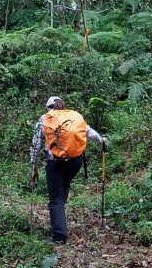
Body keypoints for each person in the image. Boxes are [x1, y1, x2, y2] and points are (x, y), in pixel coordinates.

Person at [29, 96, 107, 244]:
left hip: (55, 162)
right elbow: (89, 131)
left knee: (55, 199)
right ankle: (60, 219)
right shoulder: (73, 117)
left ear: (48, 108)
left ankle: (59, 236)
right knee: (63, 187)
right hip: (75, 162)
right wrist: (101, 140)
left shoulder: (45, 118)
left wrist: (34, 167)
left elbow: (36, 144)